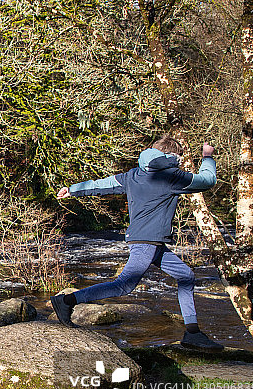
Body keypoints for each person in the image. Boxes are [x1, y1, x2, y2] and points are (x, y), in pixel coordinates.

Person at [51, 135, 224, 351]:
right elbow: (208, 181)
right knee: (123, 285)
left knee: (186, 276)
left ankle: (192, 333)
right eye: (179, 158)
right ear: (173, 157)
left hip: (151, 242)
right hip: (146, 243)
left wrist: (74, 189)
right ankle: (67, 301)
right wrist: (207, 157)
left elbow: (103, 184)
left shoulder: (135, 173)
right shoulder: (172, 176)